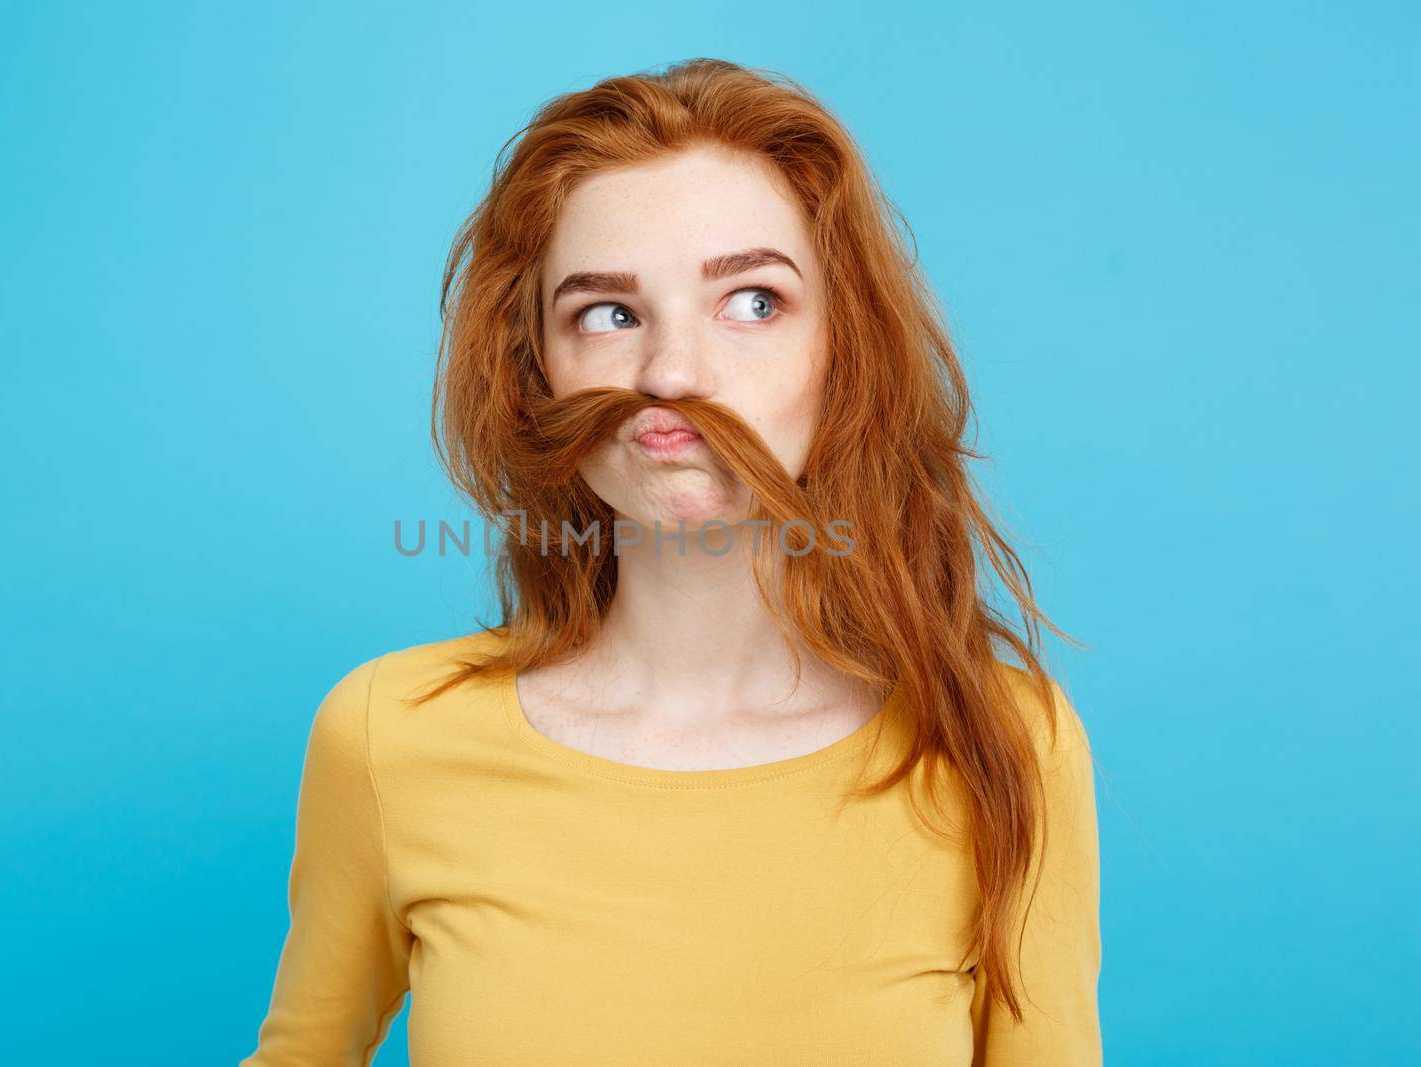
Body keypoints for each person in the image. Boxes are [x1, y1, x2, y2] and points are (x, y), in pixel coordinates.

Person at [241, 57, 1101, 1066]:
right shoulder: (389, 736)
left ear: (846, 348)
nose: (671, 374)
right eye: (607, 313)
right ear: (538, 374)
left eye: (751, 301)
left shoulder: (1001, 743)